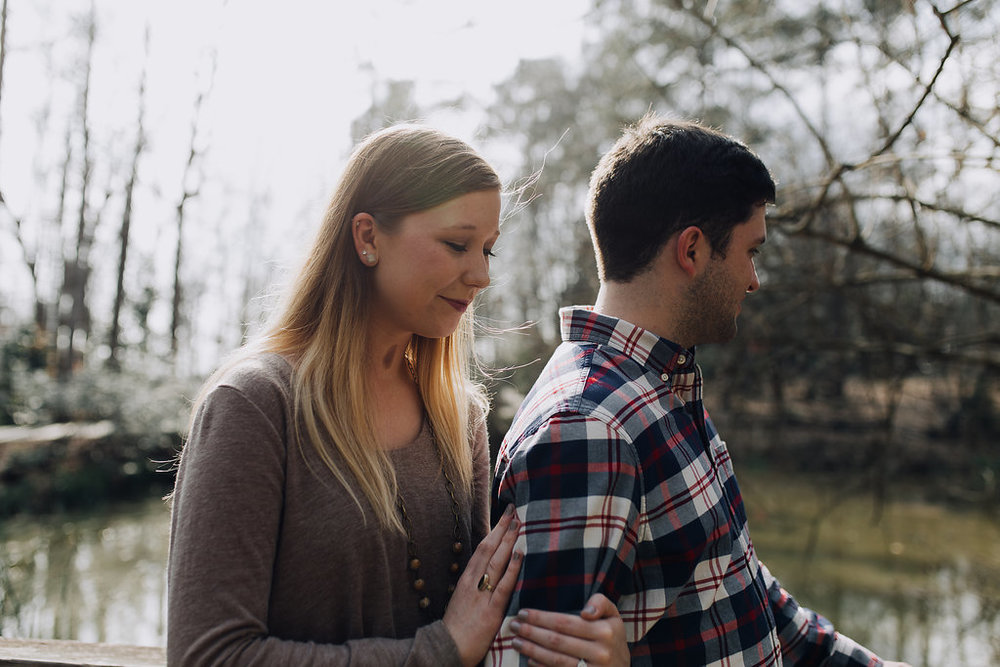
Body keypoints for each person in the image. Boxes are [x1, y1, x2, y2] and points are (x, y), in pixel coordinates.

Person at [166, 124, 626, 666]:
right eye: (457, 244)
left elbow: (480, 621)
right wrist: (439, 651)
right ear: (367, 238)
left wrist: (590, 652)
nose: (480, 275)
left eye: (487, 251)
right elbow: (209, 656)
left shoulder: (458, 419)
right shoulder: (254, 406)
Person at [488, 115, 913, 666]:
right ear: (691, 250)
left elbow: (753, 601)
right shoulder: (590, 427)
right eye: (750, 252)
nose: (754, 280)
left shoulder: (664, 389)